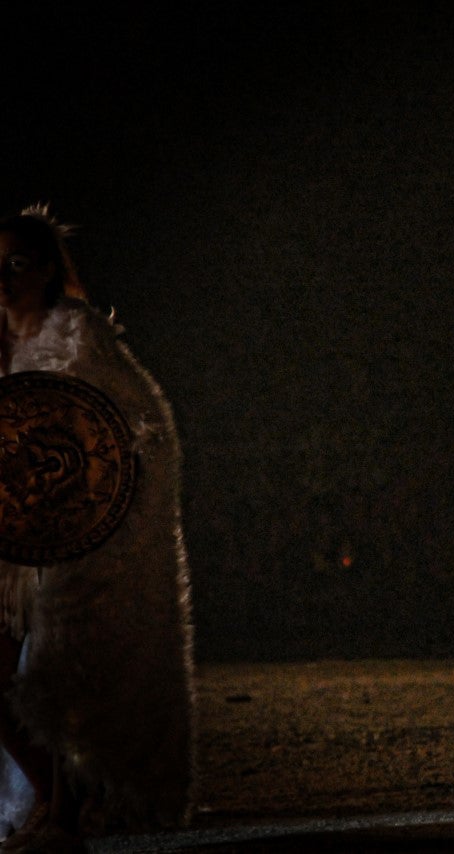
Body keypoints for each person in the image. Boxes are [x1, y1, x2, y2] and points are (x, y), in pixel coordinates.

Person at [0, 206, 195, 850]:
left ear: (49, 268)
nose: (3, 278)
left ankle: (62, 813)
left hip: (76, 549)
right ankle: (49, 805)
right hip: (14, 548)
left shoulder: (81, 340)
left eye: (18, 264)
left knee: (61, 676)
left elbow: (138, 435)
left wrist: (88, 523)